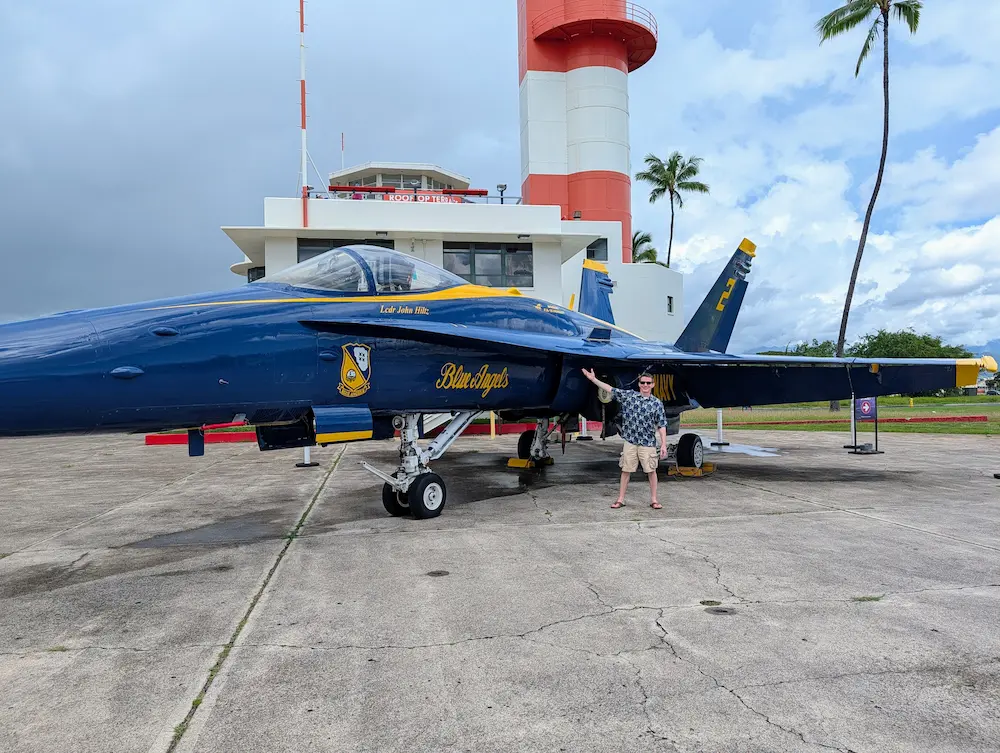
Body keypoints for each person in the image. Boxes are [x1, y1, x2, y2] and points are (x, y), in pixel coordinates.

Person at [581, 368, 668, 509]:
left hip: (648, 443)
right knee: (626, 470)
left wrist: (663, 444)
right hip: (630, 441)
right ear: (639, 384)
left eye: (648, 383)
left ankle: (654, 499)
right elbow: (610, 389)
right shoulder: (629, 396)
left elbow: (662, 424)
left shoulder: (656, 403)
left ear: (653, 384)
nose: (645, 385)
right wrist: (593, 379)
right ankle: (620, 499)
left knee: (651, 471)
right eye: (643, 382)